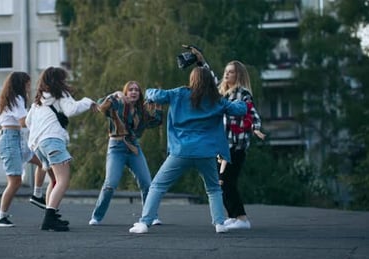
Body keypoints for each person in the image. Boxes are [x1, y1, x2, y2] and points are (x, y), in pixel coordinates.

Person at [128, 61, 247, 234]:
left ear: (192, 79)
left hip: (181, 151)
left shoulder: (179, 93)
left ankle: (144, 223)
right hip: (206, 152)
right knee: (213, 189)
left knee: (157, 186)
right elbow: (241, 109)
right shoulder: (217, 101)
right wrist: (238, 93)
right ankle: (220, 224)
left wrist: (149, 94)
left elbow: (153, 94)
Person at [26, 66, 97, 231]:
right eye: (63, 79)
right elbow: (71, 110)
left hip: (38, 145)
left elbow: (28, 122)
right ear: (58, 81)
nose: (65, 82)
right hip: (53, 141)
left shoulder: (38, 101)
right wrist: (88, 101)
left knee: (55, 180)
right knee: (63, 180)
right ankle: (49, 217)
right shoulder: (61, 95)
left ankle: (51, 214)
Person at [88, 81, 163, 226]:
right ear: (126, 92)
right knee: (110, 184)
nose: (134, 92)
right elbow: (100, 106)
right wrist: (114, 94)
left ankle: (151, 216)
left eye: (136, 90)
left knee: (147, 183)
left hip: (134, 148)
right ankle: (97, 217)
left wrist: (158, 106)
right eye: (130, 90)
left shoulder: (141, 111)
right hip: (116, 147)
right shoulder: (117, 104)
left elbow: (155, 122)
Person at [217, 60, 266, 230]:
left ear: (238, 75)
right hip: (221, 148)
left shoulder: (243, 94)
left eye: (231, 71)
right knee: (220, 182)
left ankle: (242, 218)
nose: (227, 74)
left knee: (227, 181)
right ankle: (232, 215)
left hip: (235, 146)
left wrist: (256, 129)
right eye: (226, 70)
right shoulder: (221, 92)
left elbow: (252, 114)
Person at [0, 71, 43, 227]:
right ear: (21, 84)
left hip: (15, 139)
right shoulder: (17, 99)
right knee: (15, 181)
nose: (29, 87)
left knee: (43, 162)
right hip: (10, 140)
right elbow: (23, 122)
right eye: (28, 84)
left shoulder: (9, 100)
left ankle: (37, 194)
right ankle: (1, 217)